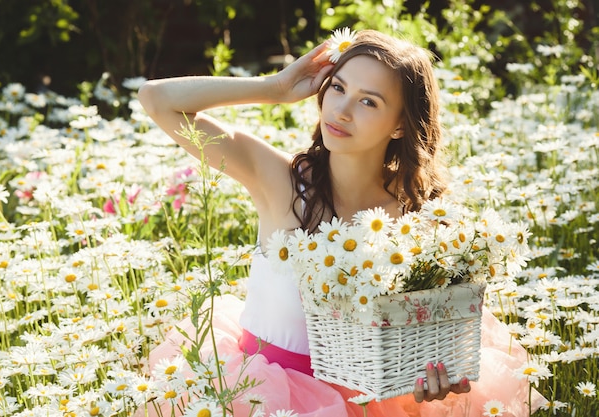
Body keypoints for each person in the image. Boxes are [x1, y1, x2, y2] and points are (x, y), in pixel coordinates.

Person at [135, 29, 544, 416]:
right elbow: (156, 99)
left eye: (369, 101)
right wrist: (275, 89)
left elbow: (416, 348)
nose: (342, 111)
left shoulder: (416, 224)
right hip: (260, 396)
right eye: (338, 87)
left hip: (364, 403)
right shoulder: (280, 182)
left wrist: (428, 379)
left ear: (400, 124)